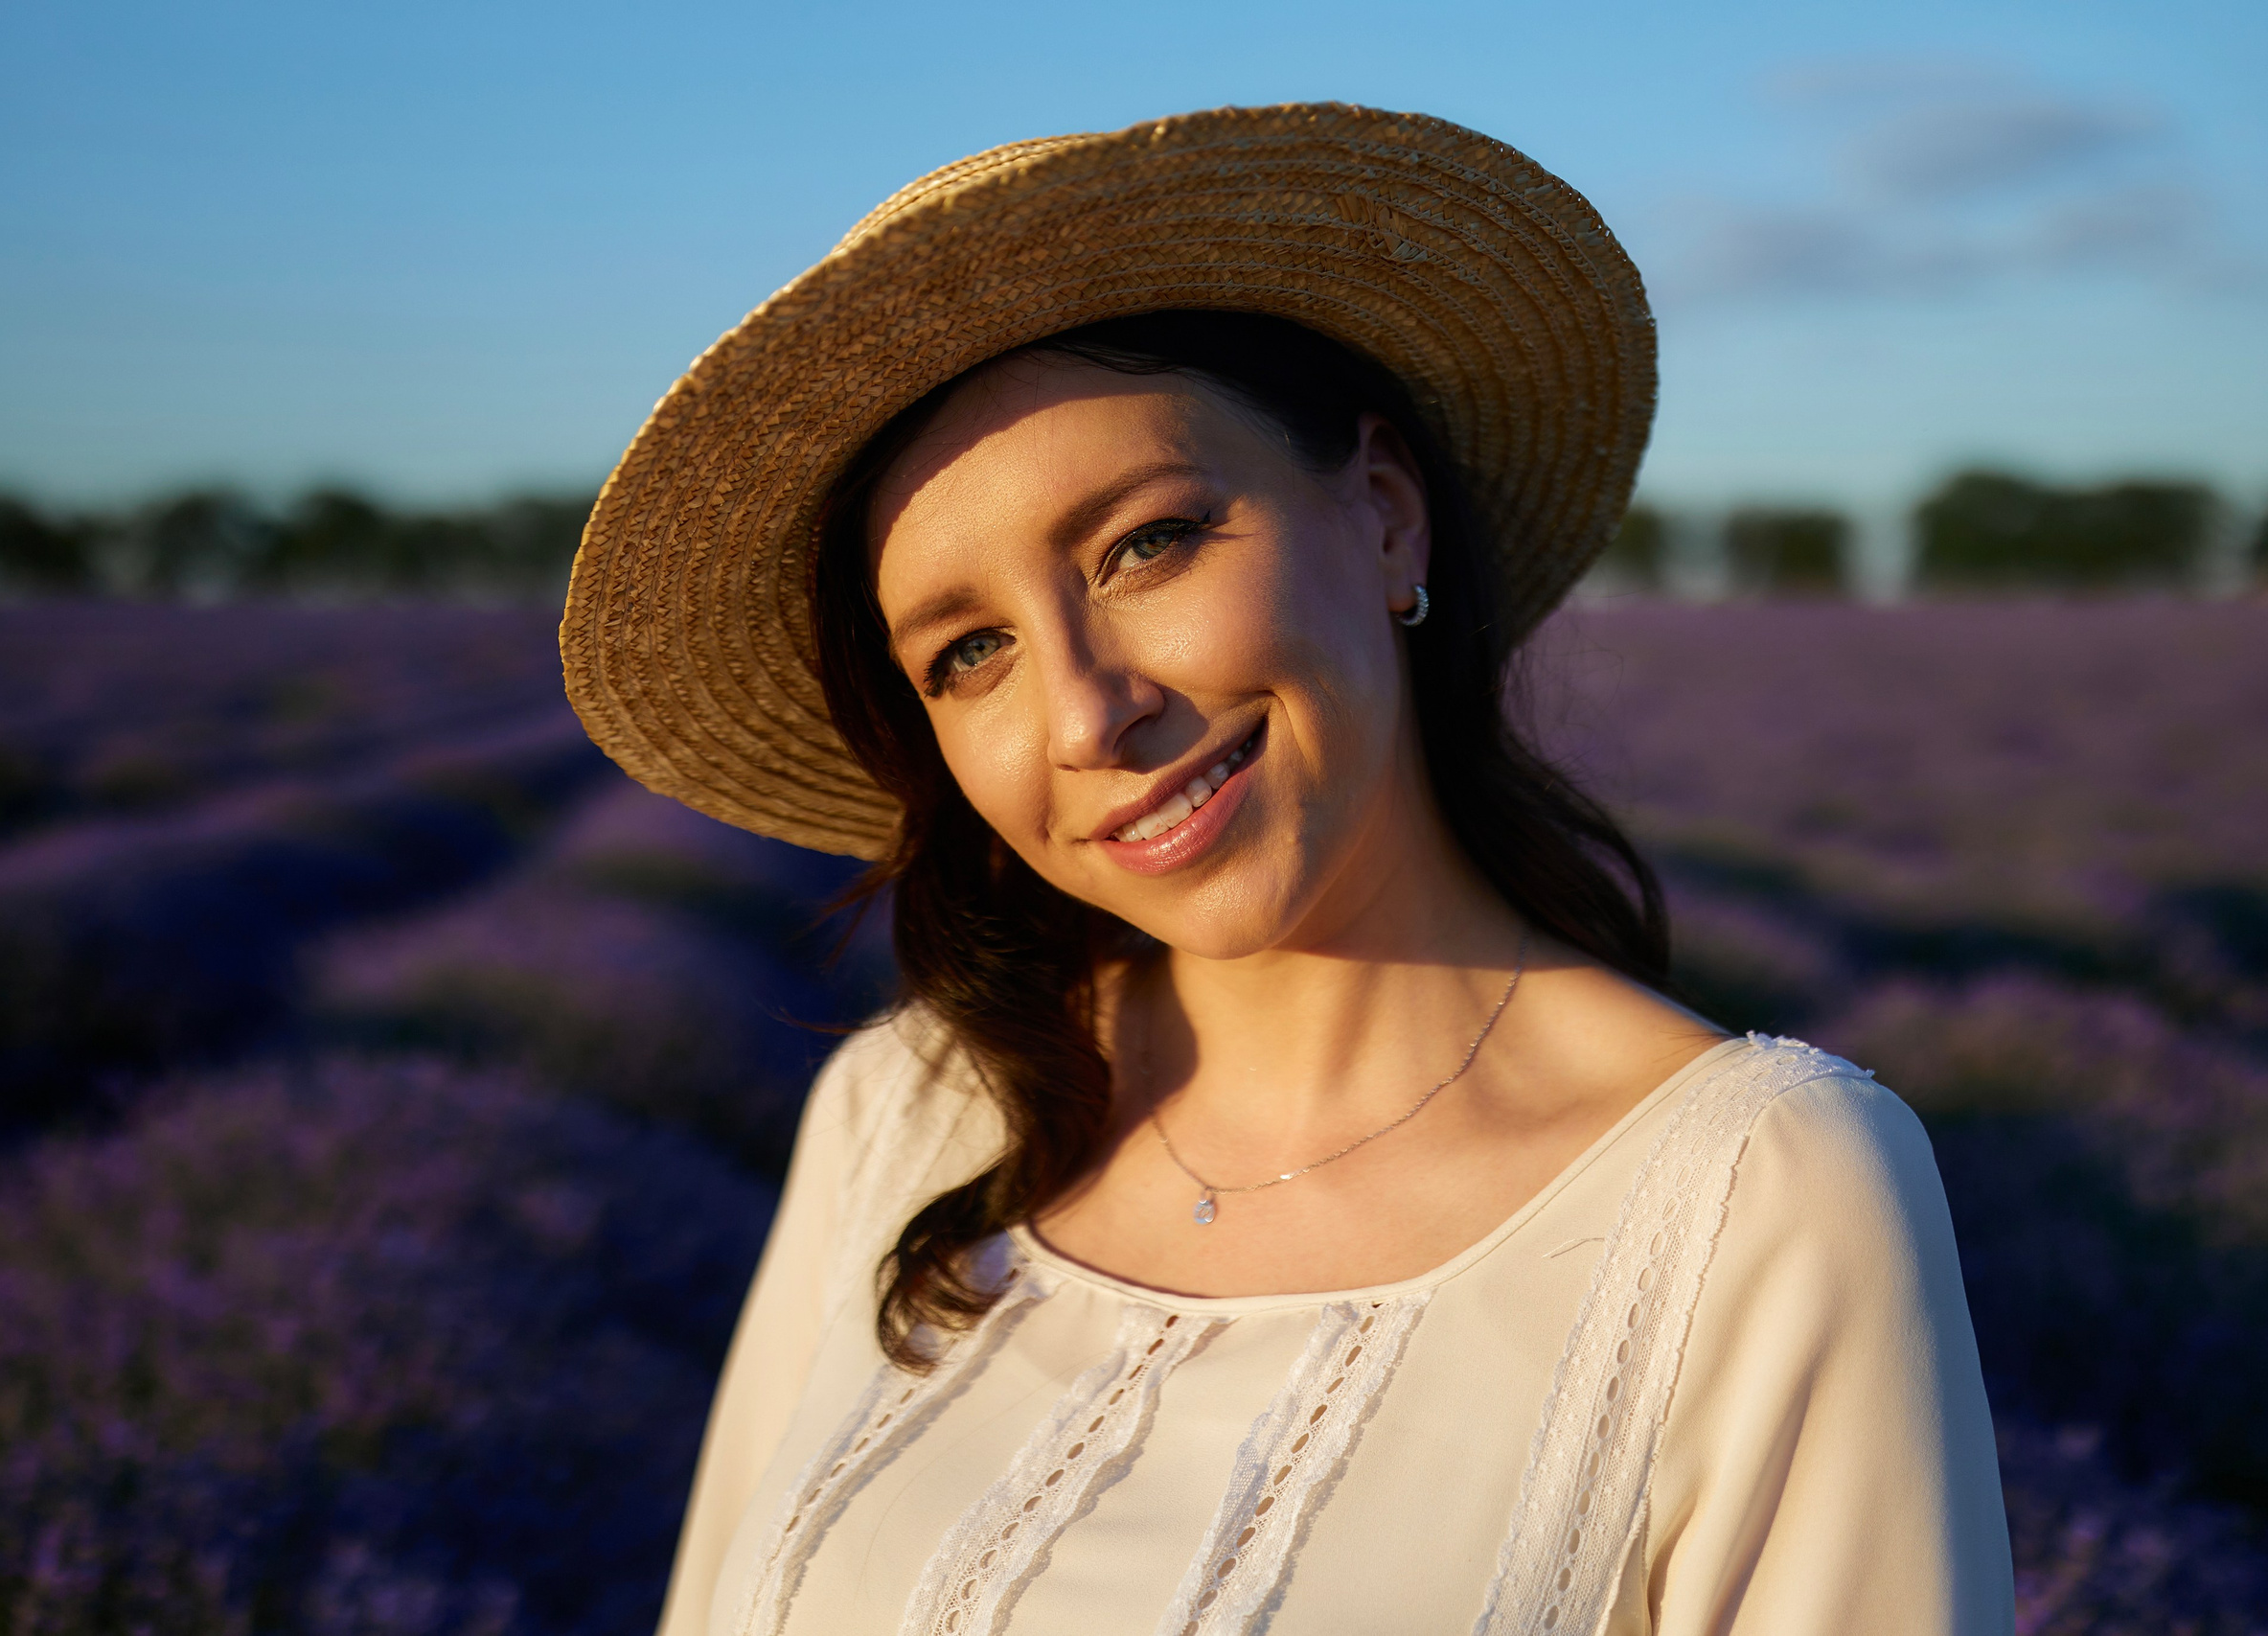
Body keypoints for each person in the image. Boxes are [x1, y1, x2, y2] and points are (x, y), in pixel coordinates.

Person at [561, 104, 2012, 1636]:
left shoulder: (1750, 1193)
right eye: (970, 650)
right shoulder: (906, 1117)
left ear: (1384, 516)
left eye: (1145, 545)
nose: (1085, 717)